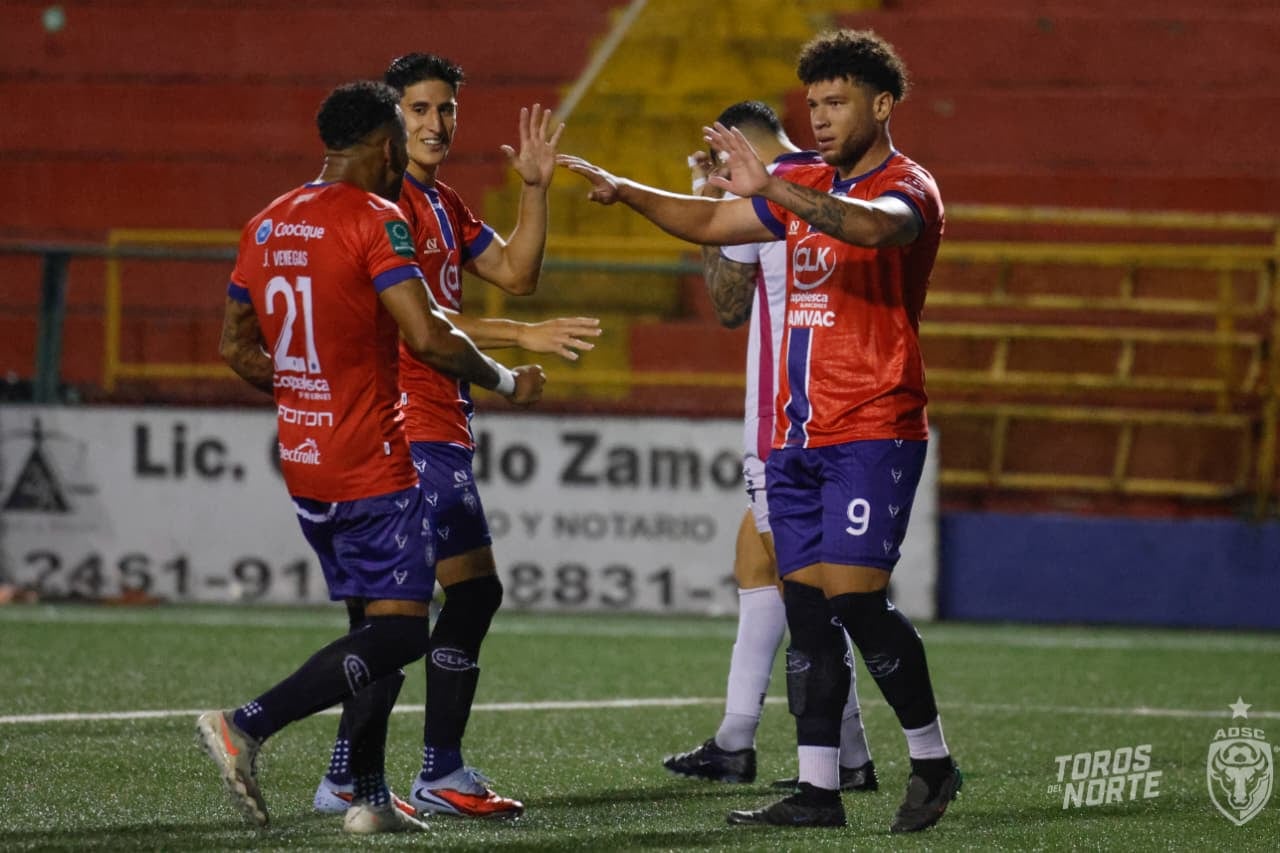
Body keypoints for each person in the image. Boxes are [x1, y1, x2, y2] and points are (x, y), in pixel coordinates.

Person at [559, 29, 960, 833]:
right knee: (806, 609)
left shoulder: (908, 186)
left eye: (836, 102)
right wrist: (626, 189)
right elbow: (712, 225)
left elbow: (874, 230)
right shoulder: (800, 184)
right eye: (811, 103)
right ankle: (819, 791)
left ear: (882, 106)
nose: (819, 118)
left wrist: (780, 192)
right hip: (795, 437)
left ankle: (933, 758)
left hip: (873, 427)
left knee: (855, 601)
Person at [197, 79, 544, 835]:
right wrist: (507, 377)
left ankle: (369, 796)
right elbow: (426, 336)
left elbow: (235, 345)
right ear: (386, 145)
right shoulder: (376, 218)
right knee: (402, 630)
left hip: (305, 455)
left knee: (370, 621)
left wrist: (305, 389)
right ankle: (248, 723)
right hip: (372, 455)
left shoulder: (265, 222)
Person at [311, 52, 574, 822]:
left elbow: (517, 271)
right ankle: (414, 770)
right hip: (406, 418)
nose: (435, 124)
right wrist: (518, 344)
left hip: (440, 420)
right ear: (392, 119)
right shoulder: (382, 202)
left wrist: (533, 188)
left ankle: (379, 772)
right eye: (419, 110)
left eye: (445, 110)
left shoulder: (444, 203)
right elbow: (424, 320)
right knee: (424, 605)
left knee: (436, 600)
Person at [661, 101, 877, 796]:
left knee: (804, 583)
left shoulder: (767, 190)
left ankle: (849, 755)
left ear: (735, 148)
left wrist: (706, 203)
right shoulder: (819, 183)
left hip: (782, 420)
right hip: (825, 411)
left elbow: (728, 305)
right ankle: (735, 737)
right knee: (758, 562)